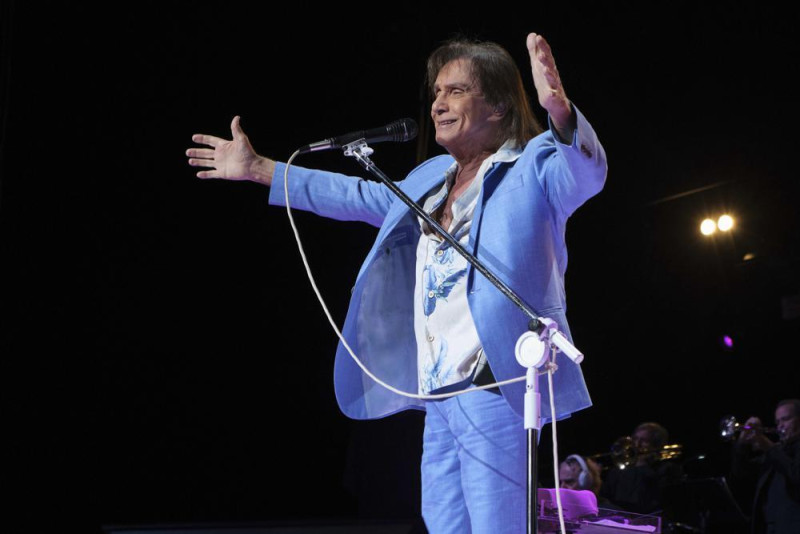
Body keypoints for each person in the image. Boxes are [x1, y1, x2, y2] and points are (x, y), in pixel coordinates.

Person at [186, 32, 607, 534]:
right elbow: (356, 194)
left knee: (498, 526)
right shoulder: (430, 179)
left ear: (496, 106)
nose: (438, 104)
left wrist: (561, 114)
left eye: (455, 91)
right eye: (436, 93)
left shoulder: (533, 166)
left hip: (496, 383)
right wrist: (262, 171)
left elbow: (586, 172)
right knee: (443, 523)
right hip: (438, 394)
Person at [730, 399, 800, 534]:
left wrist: (769, 447)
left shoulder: (779, 451)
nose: (780, 426)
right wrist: (741, 445)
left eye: (785, 419)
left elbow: (796, 476)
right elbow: (741, 474)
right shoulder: (778, 451)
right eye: (777, 422)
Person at [599, 422, 684, 515]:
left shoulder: (667, 469)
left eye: (644, 441)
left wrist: (643, 466)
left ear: (656, 445)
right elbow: (605, 496)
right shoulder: (618, 469)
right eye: (635, 439)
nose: (637, 444)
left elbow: (659, 501)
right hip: (617, 518)